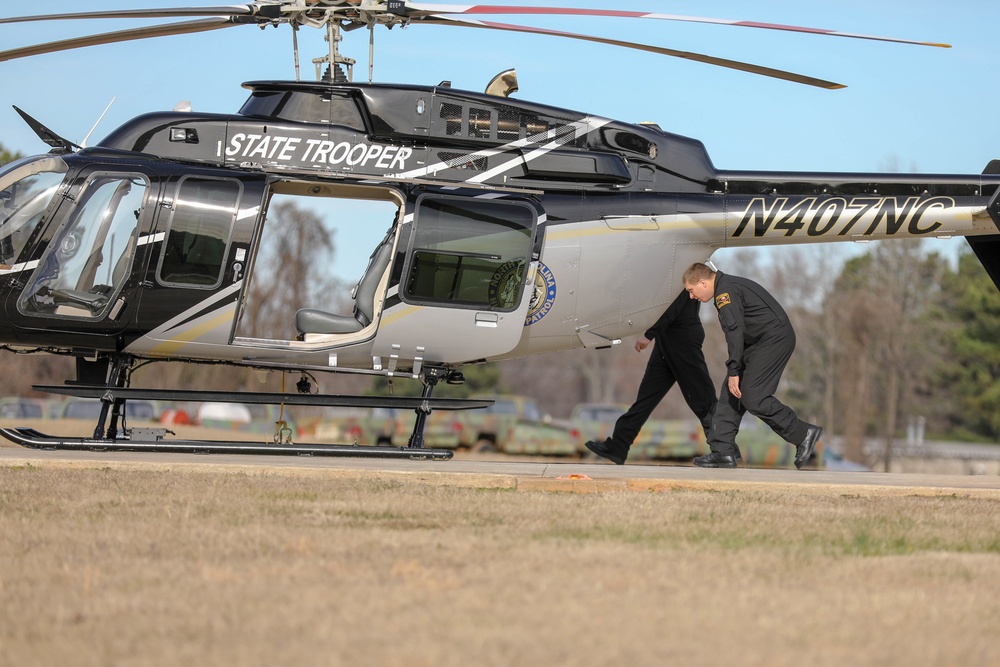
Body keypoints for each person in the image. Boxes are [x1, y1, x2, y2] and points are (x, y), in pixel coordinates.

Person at [682, 262, 823, 469]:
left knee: (753, 397)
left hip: (773, 340)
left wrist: (734, 370)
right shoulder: (727, 285)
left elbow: (735, 332)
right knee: (731, 394)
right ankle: (723, 452)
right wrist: (734, 372)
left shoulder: (725, 293)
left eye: (691, 291)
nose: (691, 297)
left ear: (702, 282)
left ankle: (803, 434)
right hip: (758, 342)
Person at [585, 288, 717, 465]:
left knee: (703, 399)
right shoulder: (666, 272)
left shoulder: (680, 271)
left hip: (683, 342)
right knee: (645, 399)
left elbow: (672, 308)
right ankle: (618, 446)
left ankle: (725, 450)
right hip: (666, 341)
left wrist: (648, 335)